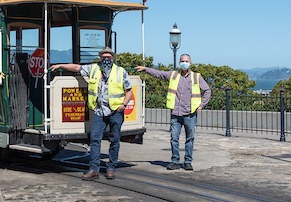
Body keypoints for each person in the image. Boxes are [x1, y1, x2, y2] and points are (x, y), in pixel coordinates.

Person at [50, 47, 133, 180]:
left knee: (115, 140)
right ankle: (94, 169)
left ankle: (111, 168)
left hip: (115, 111)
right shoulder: (94, 68)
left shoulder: (120, 71)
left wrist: (123, 105)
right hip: (99, 111)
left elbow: (129, 90)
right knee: (95, 139)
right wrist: (61, 65)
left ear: (113, 58)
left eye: (109, 57)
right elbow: (77, 68)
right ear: (100, 58)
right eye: (104, 57)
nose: (106, 59)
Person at [136, 53, 211, 171]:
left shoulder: (196, 77)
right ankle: (175, 161)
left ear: (190, 63)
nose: (184, 63)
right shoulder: (174, 75)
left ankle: (188, 161)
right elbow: (159, 74)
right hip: (175, 113)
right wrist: (146, 69)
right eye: (182, 61)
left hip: (190, 113)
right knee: (174, 138)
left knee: (189, 139)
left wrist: (201, 105)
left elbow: (207, 90)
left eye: (186, 61)